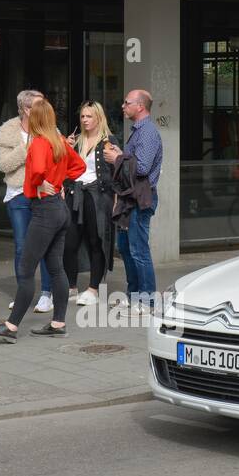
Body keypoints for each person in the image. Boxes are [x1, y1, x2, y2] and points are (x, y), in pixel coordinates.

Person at [0, 100, 85, 342]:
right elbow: (78, 166)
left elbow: (38, 169)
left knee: (26, 269)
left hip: (44, 211)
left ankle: (11, 326)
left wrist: (40, 182)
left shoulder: (39, 142)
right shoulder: (59, 140)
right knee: (56, 268)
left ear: (36, 118)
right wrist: (59, 182)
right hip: (59, 210)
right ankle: (58, 323)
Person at [0, 90, 56, 313]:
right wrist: (27, 147)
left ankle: (46, 294)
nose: (45, 107)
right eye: (40, 104)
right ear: (26, 109)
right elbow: (4, 165)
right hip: (18, 195)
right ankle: (24, 292)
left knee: (45, 245)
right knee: (22, 246)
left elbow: (58, 158)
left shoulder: (50, 128)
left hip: (44, 195)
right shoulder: (8, 132)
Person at [105, 89, 163, 314]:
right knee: (126, 248)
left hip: (140, 197)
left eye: (127, 102)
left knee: (138, 249)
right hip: (129, 197)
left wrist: (117, 158)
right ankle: (133, 294)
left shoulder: (147, 132)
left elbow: (141, 168)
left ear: (140, 106)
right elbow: (134, 162)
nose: (122, 106)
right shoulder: (137, 131)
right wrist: (121, 153)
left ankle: (147, 300)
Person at [64, 101, 116, 307]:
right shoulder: (75, 141)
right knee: (69, 243)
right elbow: (65, 168)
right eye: (83, 116)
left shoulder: (108, 142)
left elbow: (115, 174)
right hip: (75, 194)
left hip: (98, 197)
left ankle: (93, 289)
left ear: (98, 118)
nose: (85, 120)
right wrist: (65, 149)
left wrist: (115, 200)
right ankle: (71, 286)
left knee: (96, 242)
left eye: (89, 116)